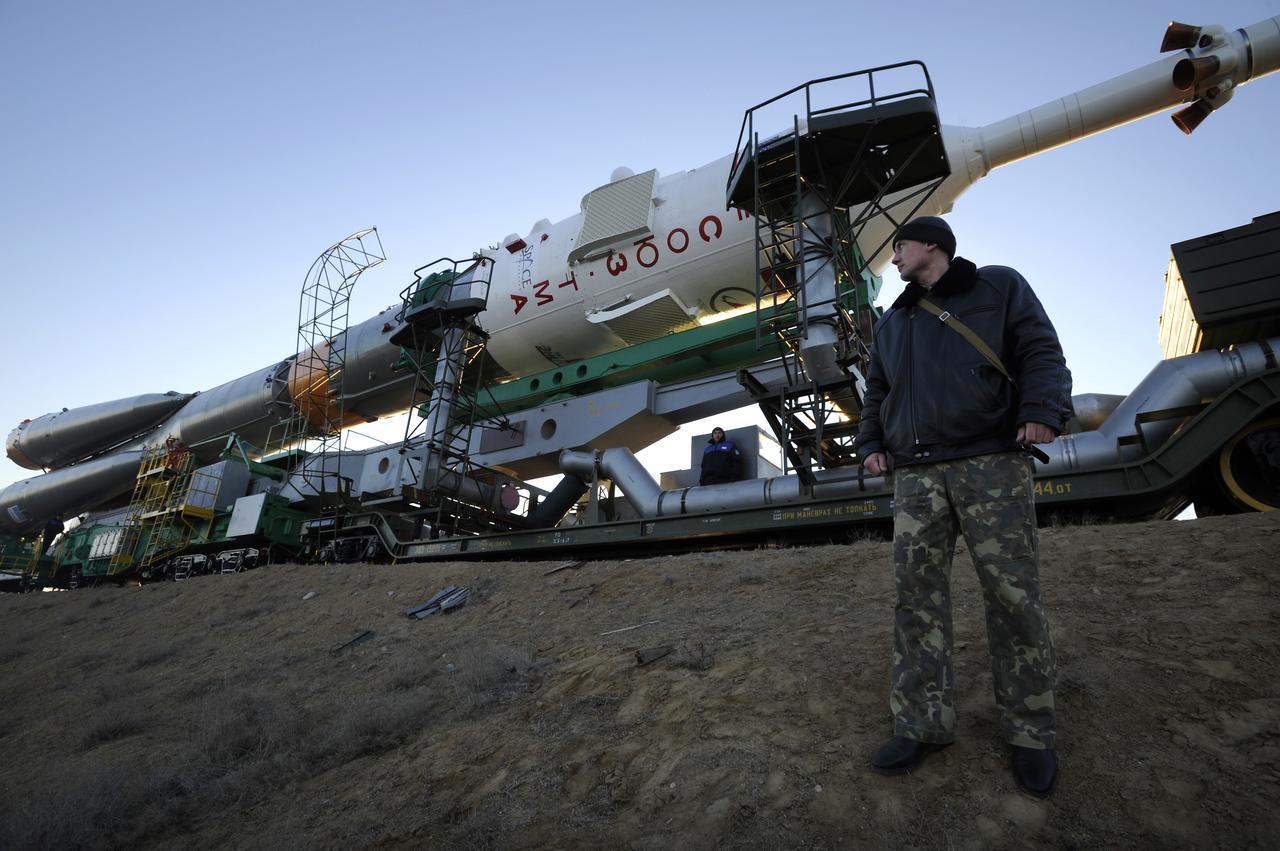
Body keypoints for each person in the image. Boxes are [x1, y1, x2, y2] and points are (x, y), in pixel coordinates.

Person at [854, 216, 1072, 798]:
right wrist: (871, 444)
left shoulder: (997, 286)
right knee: (915, 600)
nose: (893, 257)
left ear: (931, 245)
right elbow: (878, 391)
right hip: (916, 476)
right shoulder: (893, 321)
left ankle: (1030, 731)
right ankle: (921, 724)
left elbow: (1039, 347)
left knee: (1012, 595)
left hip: (991, 461)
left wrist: (1043, 406)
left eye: (899, 246)